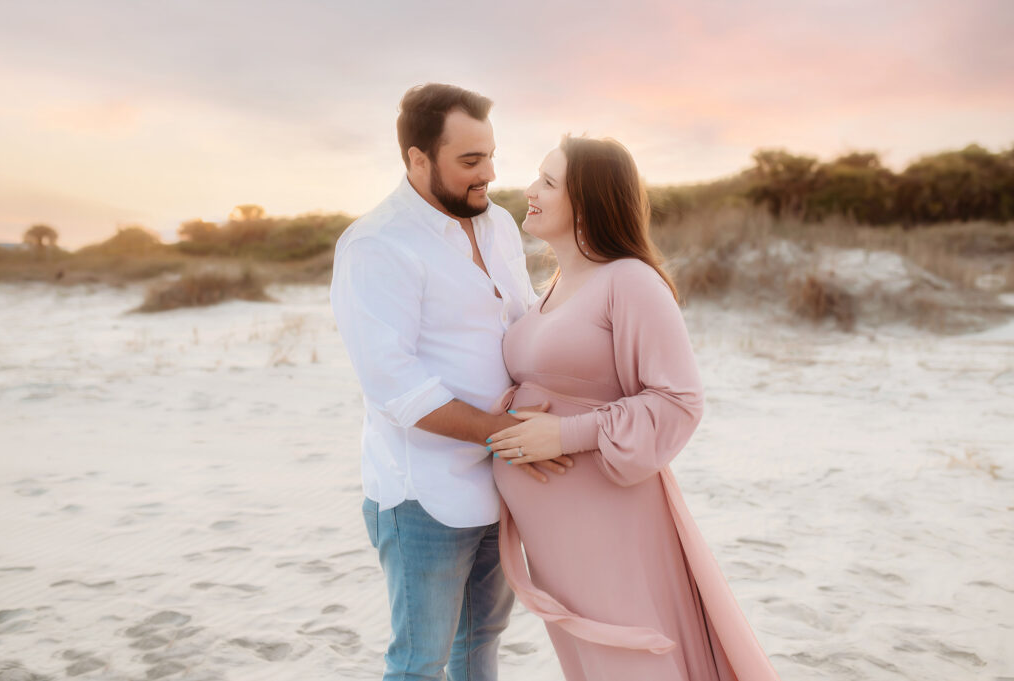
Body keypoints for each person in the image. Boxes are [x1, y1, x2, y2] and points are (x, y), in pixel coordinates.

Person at [486, 136, 782, 680]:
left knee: (630, 659)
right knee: (592, 662)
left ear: (591, 200)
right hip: (557, 532)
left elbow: (679, 400)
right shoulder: (554, 284)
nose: (530, 191)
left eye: (549, 182)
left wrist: (565, 434)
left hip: (610, 517)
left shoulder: (631, 280)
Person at [330, 83, 573, 681]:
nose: (489, 173)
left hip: (501, 483)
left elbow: (520, 326)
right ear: (417, 159)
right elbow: (396, 387)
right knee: (419, 663)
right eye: (469, 161)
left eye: (490, 155)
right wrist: (507, 434)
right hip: (425, 496)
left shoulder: (496, 225)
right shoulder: (375, 245)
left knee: (480, 642)